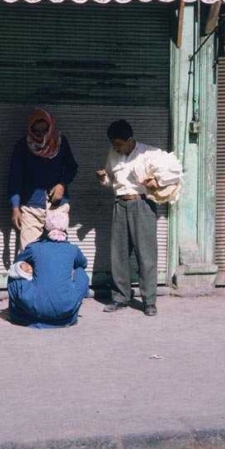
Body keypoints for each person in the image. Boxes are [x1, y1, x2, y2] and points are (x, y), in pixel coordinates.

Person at [96, 119, 162, 317]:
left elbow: (168, 178)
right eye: (113, 144)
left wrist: (156, 182)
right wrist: (103, 179)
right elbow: (111, 180)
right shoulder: (113, 153)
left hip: (142, 204)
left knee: (146, 254)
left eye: (119, 144)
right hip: (120, 205)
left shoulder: (149, 154)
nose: (116, 148)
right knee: (119, 254)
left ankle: (149, 301)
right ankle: (120, 297)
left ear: (130, 140)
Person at [8, 108, 78, 252]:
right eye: (37, 132)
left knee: (58, 247)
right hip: (31, 205)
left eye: (44, 131)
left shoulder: (60, 142)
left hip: (57, 204)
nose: (41, 135)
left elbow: (72, 167)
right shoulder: (22, 146)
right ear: (30, 130)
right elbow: (15, 178)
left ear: (51, 127)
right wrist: (15, 207)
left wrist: (62, 185)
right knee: (29, 250)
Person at [6, 211, 90, 328]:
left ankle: (17, 315)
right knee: (81, 272)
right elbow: (83, 263)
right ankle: (71, 315)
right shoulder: (73, 249)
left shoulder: (34, 248)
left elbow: (17, 262)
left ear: (45, 227)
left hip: (35, 307)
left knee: (14, 273)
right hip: (65, 307)